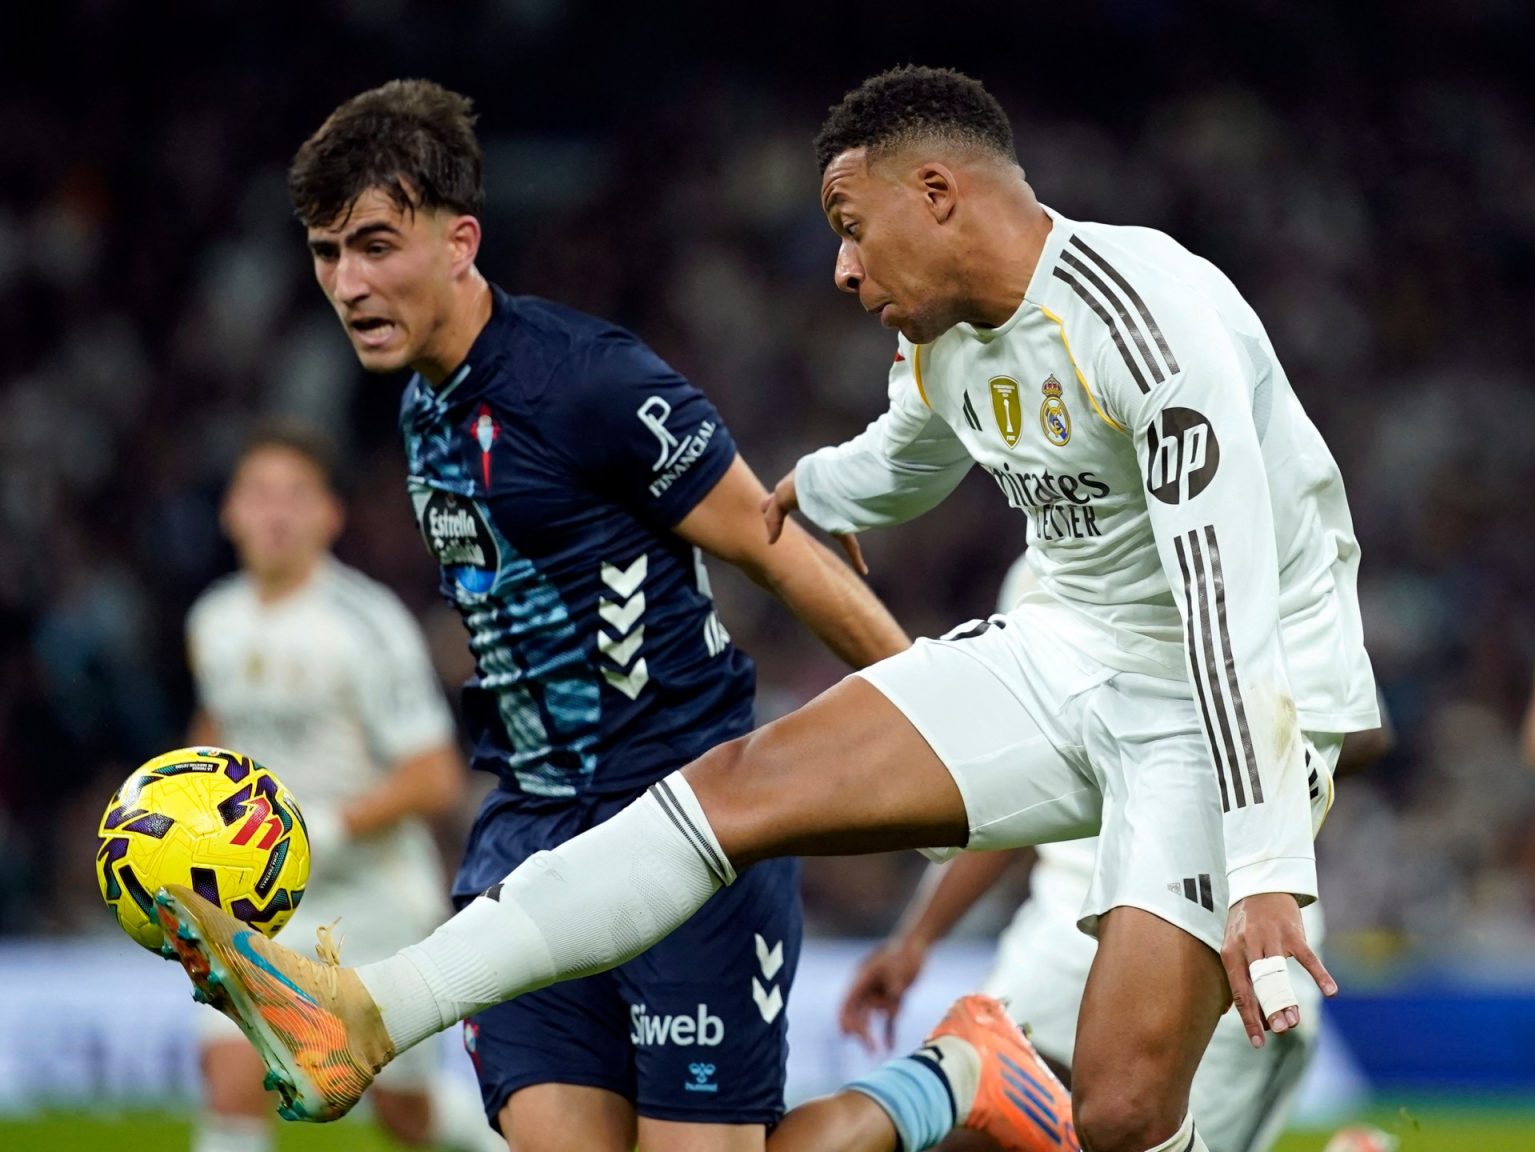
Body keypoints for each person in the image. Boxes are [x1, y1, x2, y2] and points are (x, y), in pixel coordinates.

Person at [154, 65, 1380, 1152]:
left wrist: (1267, 865)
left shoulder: (1147, 318)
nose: (842, 266)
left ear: (937, 194)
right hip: (1068, 649)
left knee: (1116, 1112)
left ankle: (985, 1082)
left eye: (851, 227)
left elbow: (1226, 603)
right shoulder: (949, 338)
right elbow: (908, 454)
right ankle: (370, 1010)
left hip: (1226, 697)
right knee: (739, 790)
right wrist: (816, 486)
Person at [174, 77, 925, 1152]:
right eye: (327, 253)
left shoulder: (586, 381)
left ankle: (948, 1082)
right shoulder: (422, 407)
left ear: (460, 241)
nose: (348, 283)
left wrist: (942, 719)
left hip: (687, 821)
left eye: (376, 245)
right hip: (531, 838)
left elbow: (778, 551)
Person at [835, 564, 1397, 1152]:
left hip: (1211, 938)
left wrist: (1220, 757)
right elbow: (1005, 791)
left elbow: (1364, 728)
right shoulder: (1044, 566)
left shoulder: (1249, 549)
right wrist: (917, 938)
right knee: (973, 1135)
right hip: (1062, 938)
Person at [183, 420, 501, 1152]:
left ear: (330, 515)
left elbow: (434, 775)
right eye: (259, 494)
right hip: (258, 897)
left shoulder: (367, 623)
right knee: (231, 1079)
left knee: (401, 1112)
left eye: (296, 495)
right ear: (231, 512)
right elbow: (216, 732)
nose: (276, 513)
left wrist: (320, 827)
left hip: (369, 896)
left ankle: (499, 1141)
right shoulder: (214, 620)